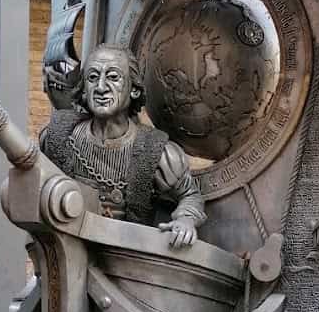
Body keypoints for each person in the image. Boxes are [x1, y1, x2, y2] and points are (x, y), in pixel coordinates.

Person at [39, 43, 205, 247]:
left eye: (113, 77)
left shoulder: (158, 153)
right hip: (67, 250)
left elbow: (190, 196)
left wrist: (185, 220)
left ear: (134, 89)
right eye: (92, 77)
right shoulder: (56, 137)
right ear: (84, 90)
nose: (101, 87)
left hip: (125, 256)